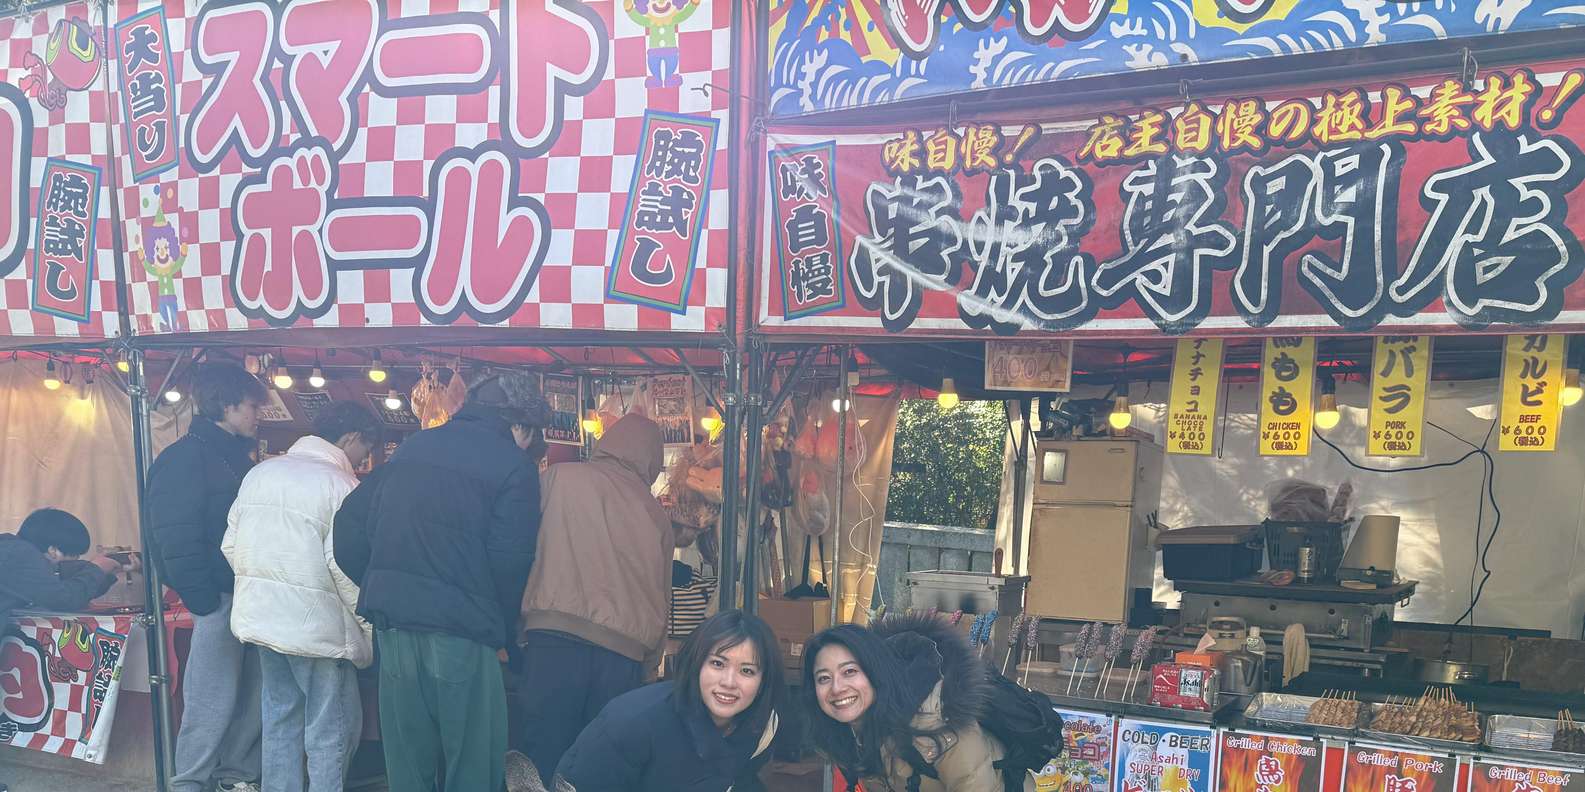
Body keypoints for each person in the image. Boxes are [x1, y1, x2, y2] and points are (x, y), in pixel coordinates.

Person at [333, 372, 549, 792]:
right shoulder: (513, 467)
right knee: (472, 761)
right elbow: (510, 563)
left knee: (407, 761)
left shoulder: (413, 447)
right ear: (518, 425)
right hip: (464, 634)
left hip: (395, 628)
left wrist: (385, 583)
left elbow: (348, 527)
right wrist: (503, 634)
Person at [222, 402, 381, 792]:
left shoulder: (260, 473)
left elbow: (230, 546)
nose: (364, 460)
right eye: (366, 450)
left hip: (262, 621)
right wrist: (368, 628)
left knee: (279, 719)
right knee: (329, 730)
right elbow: (344, 567)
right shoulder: (342, 486)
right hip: (320, 631)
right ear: (351, 439)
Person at [513, 413, 674, 779]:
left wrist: (515, 625)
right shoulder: (654, 514)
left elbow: (518, 549)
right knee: (603, 760)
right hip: (622, 656)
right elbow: (662, 596)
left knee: (544, 751)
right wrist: (650, 665)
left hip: (552, 637)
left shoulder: (557, 478)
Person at [148, 362, 267, 792]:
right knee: (210, 699)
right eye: (253, 406)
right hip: (217, 596)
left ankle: (235, 777)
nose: (258, 415)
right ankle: (189, 782)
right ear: (228, 405)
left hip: (247, 594)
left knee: (252, 694)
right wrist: (202, 600)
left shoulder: (231, 456)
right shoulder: (185, 457)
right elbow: (172, 535)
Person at [527, 609, 783, 792]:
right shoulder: (633, 723)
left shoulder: (761, 726)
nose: (729, 681)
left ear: (764, 681)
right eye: (717, 663)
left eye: (747, 670)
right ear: (696, 665)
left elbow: (742, 781)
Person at [802, 615, 1038, 792]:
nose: (837, 688)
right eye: (823, 678)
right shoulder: (849, 733)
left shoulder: (937, 720)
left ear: (875, 673)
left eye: (850, 671)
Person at [0, 508, 126, 626]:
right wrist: (97, 569)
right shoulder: (22, 554)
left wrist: (106, 570)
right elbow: (64, 599)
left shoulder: (11, 550)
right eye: (75, 555)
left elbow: (62, 591)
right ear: (53, 551)